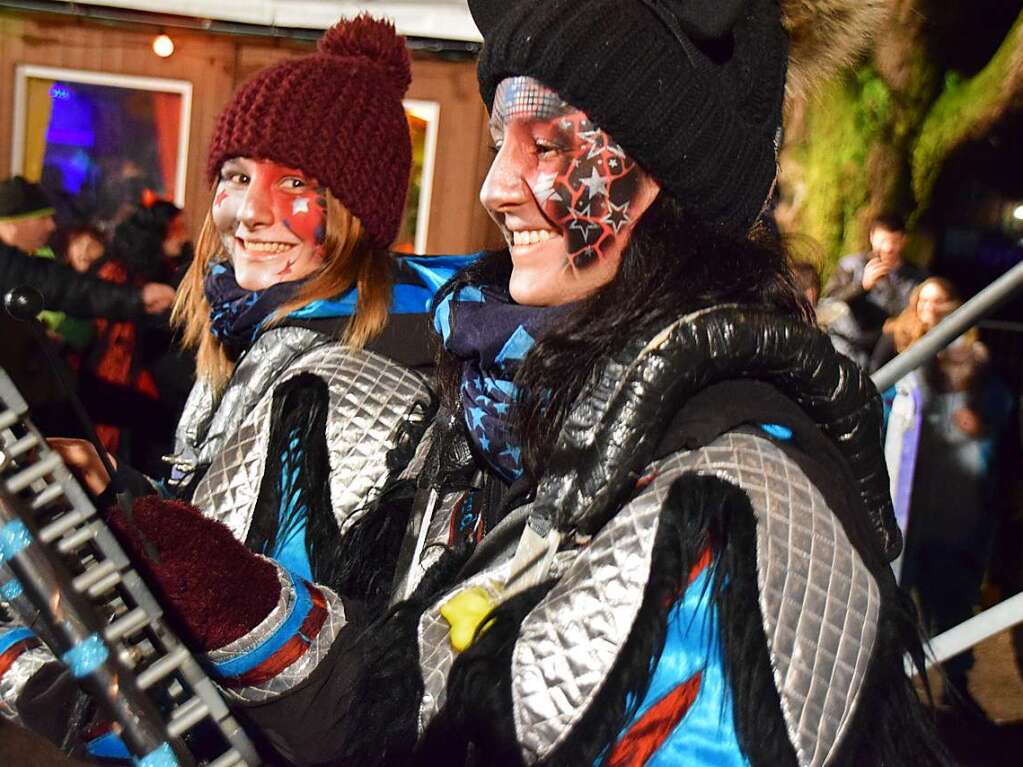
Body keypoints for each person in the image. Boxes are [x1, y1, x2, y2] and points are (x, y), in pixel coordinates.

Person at [45, 1, 949, 765]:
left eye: (546, 145)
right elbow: (436, 683)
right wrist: (194, 565)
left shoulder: (730, 505)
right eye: (496, 141)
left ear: (673, 179)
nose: (493, 187)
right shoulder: (575, 410)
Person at [0, 16, 473, 758]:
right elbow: (210, 552)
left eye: (295, 183)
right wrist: (114, 495)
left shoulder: (330, 384)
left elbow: (211, 698)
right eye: (236, 175)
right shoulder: (276, 338)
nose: (251, 211)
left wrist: (13, 651)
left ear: (357, 214)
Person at [884, 277, 1013, 716]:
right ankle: (890, 690)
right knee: (899, 605)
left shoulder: (988, 381)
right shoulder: (915, 370)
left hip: (960, 518)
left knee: (951, 605)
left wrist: (983, 409)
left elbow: (1003, 413)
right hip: (911, 512)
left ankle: (956, 688)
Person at [821, 213, 927, 370]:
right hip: (850, 343)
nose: (888, 248)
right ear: (872, 237)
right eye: (883, 241)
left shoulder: (916, 276)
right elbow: (830, 302)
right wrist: (862, 286)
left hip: (893, 348)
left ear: (904, 240)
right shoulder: (851, 266)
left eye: (895, 241)